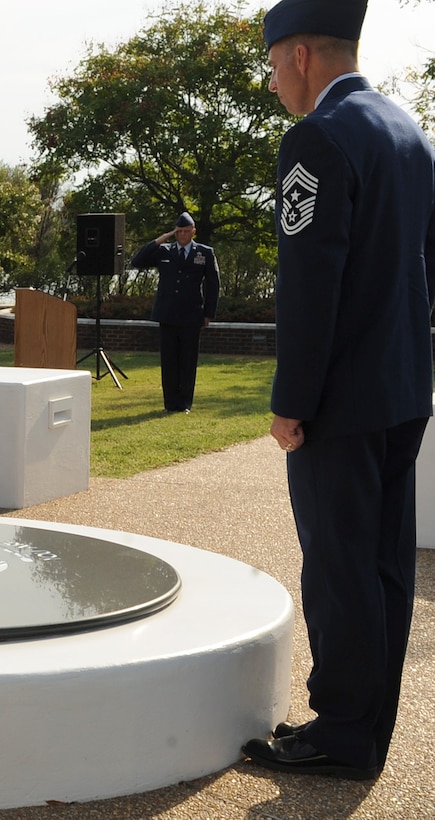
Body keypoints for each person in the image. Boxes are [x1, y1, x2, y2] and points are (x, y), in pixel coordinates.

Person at [241, 0, 435, 781]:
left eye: (270, 66)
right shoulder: (408, 130)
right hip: (401, 389)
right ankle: (365, 725)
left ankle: (342, 733)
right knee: (383, 563)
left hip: (343, 402)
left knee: (338, 564)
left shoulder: (315, 137)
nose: (272, 82)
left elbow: (309, 283)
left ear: (296, 56)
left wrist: (295, 397)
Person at [130, 212, 220, 412]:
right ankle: (170, 403)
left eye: (186, 231)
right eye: (179, 232)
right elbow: (137, 261)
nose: (182, 235)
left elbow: (213, 285)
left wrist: (208, 314)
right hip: (167, 314)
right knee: (169, 361)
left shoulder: (204, 253)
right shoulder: (164, 251)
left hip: (191, 314)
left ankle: (185, 403)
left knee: (188, 361)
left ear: (193, 231)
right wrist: (160, 239)